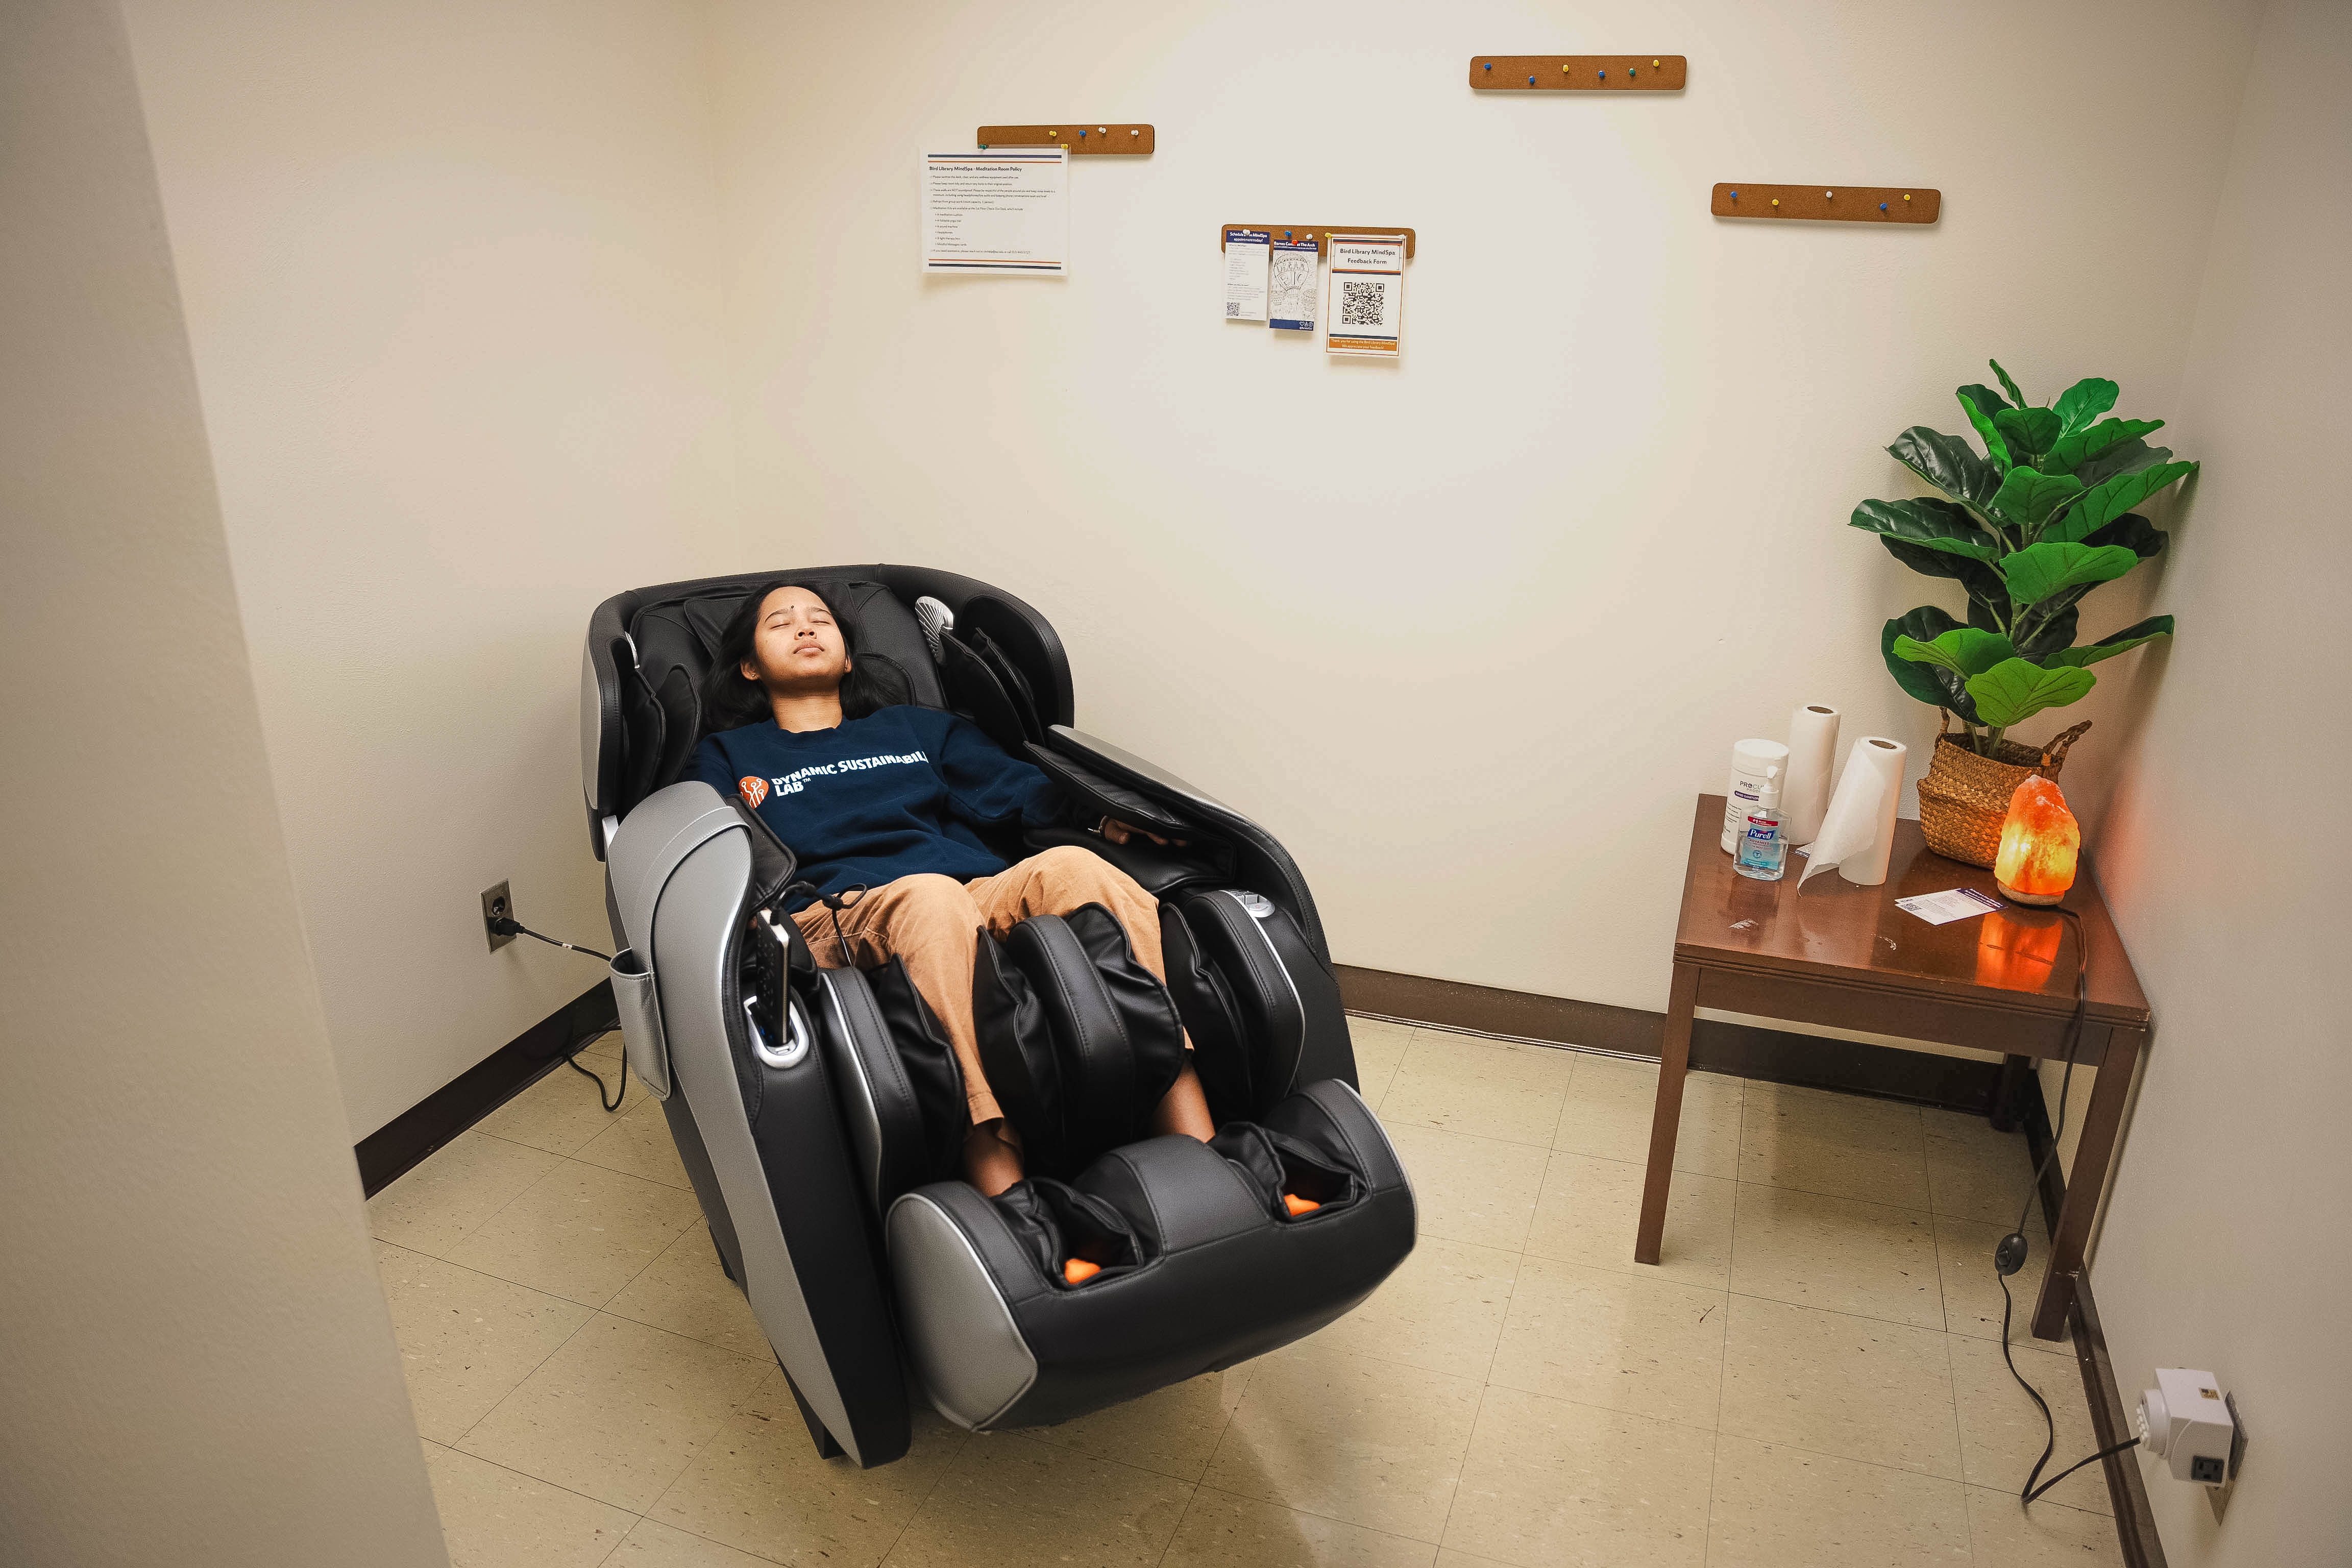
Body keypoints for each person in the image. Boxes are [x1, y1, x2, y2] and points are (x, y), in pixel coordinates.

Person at [691, 580, 1215, 1196]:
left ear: (850, 655)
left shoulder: (917, 729)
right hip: (834, 911)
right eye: (780, 623)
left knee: (1077, 867)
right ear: (749, 666)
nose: (805, 628)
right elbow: (713, 852)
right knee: (930, 897)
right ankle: (1001, 1182)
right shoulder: (727, 754)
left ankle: (1195, 1138)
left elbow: (1022, 791)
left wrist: (1102, 818)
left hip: (969, 890)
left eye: (820, 619)